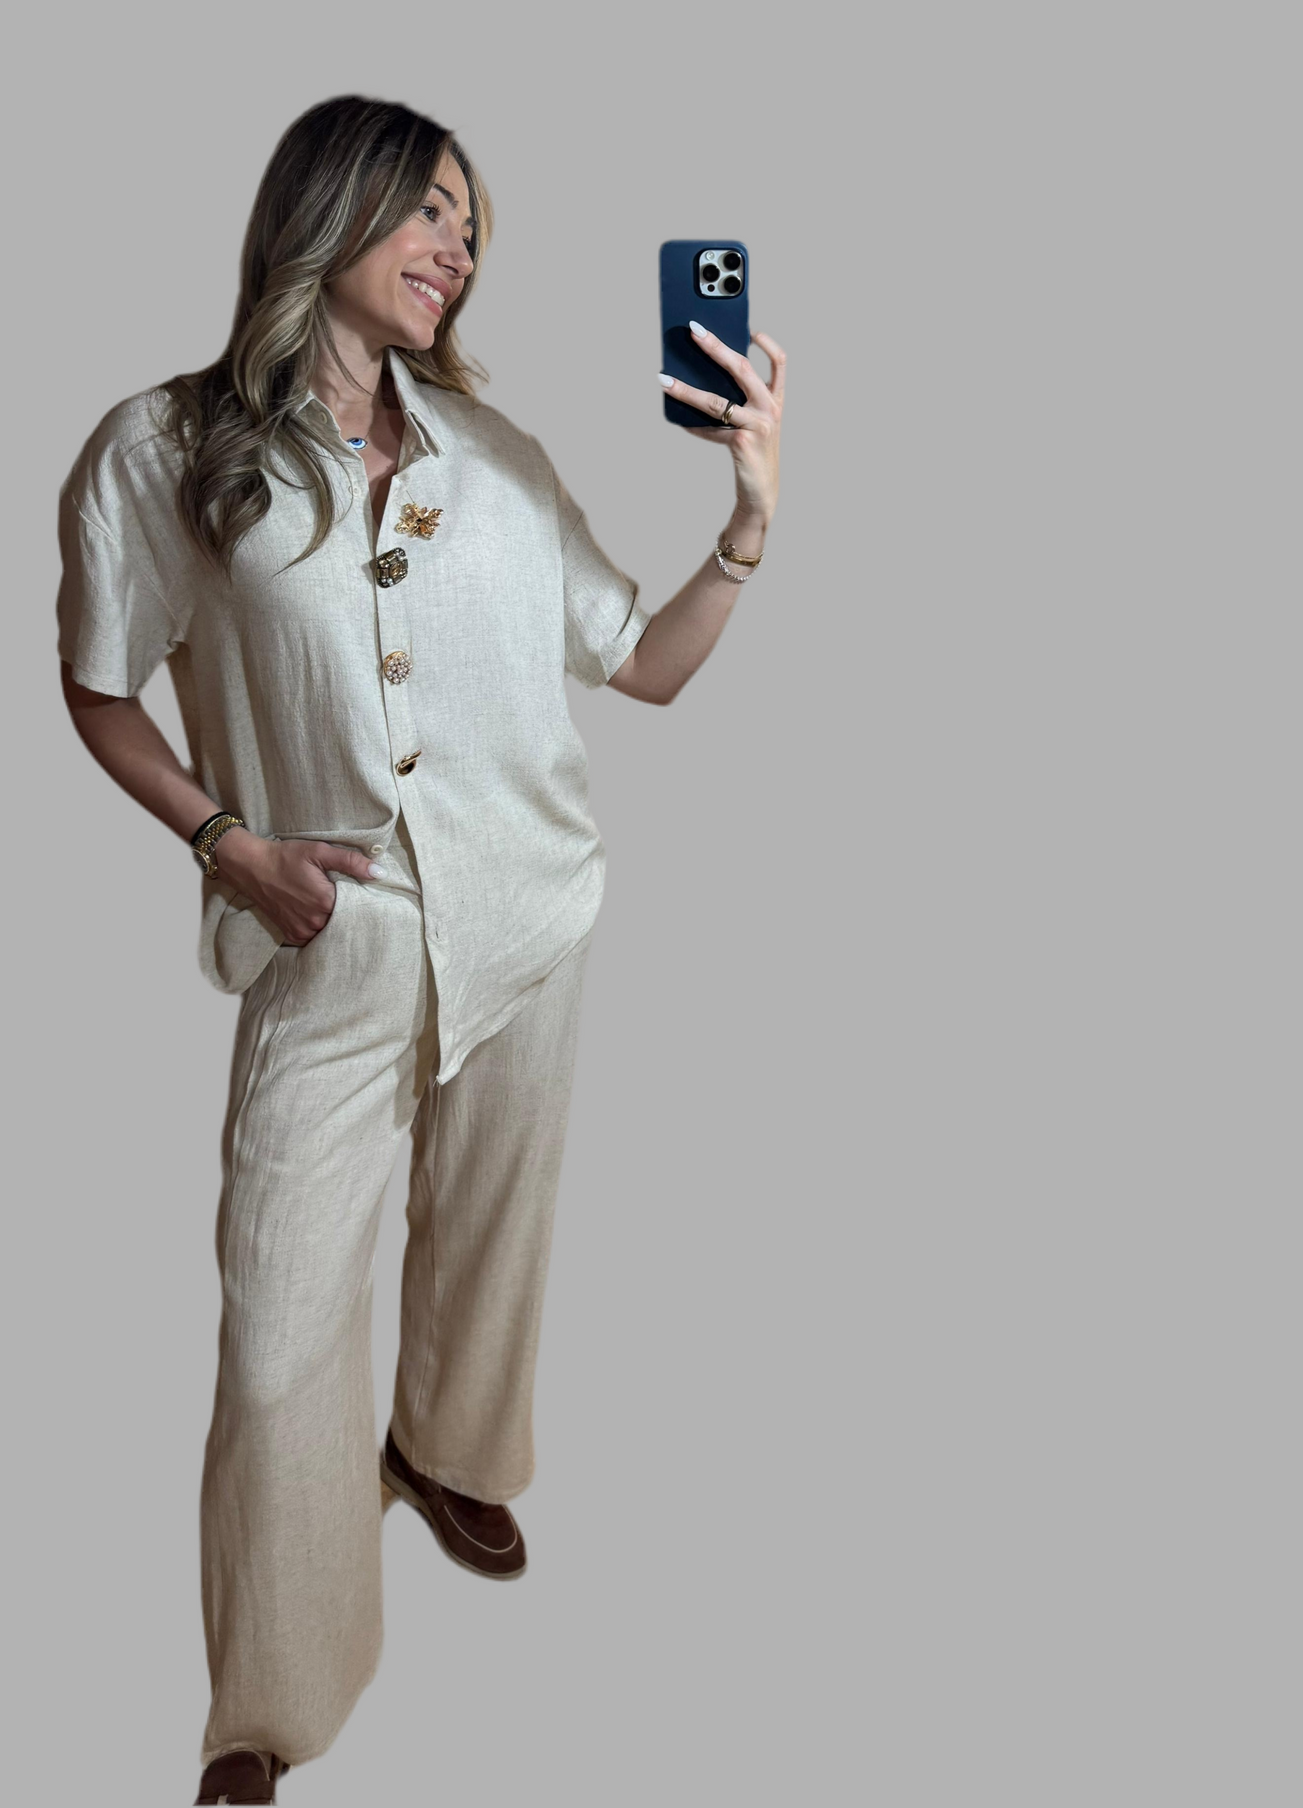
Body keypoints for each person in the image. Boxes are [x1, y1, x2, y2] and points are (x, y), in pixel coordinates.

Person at [56, 95, 785, 1806]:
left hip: (529, 912)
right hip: (329, 938)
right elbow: (99, 688)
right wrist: (226, 843)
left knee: (490, 1232)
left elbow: (646, 666)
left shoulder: (499, 457)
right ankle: (269, 1700)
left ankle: (447, 1450)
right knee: (277, 1328)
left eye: (470, 221)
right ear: (330, 210)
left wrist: (747, 519)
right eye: (427, 209)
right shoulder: (164, 452)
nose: (457, 244)